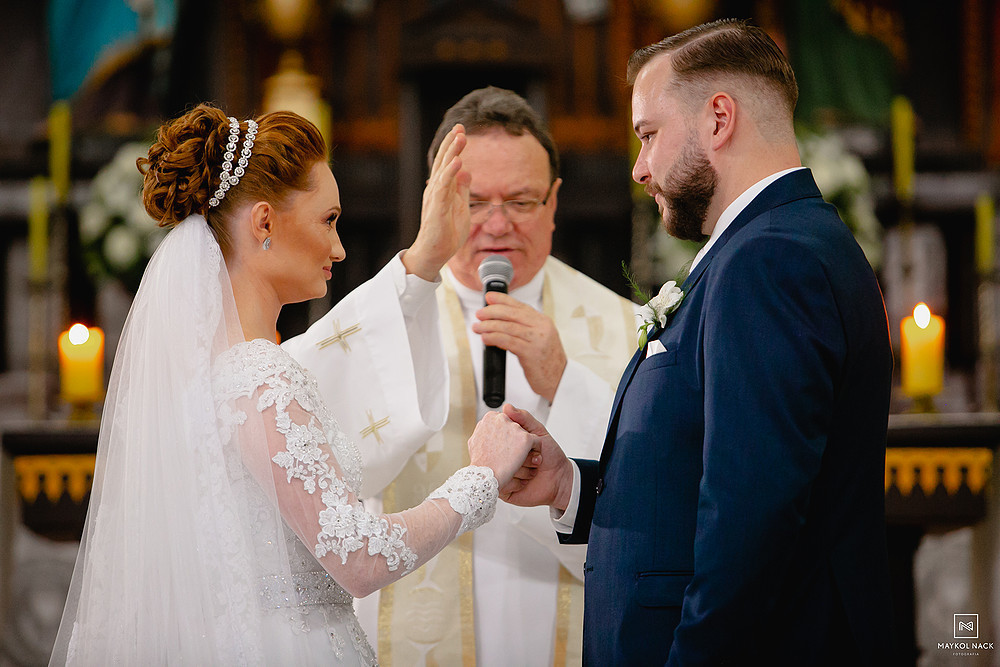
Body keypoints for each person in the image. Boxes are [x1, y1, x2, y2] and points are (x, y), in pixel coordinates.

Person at [49, 103, 539, 665]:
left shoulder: (199, 376)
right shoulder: (260, 376)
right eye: (328, 220)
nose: (340, 248)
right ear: (263, 223)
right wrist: (480, 478)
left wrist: (423, 260)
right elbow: (357, 558)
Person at [499, 19, 894, 665]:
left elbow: (751, 521)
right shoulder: (773, 246)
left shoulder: (769, 260)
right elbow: (701, 474)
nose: (639, 167)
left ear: (718, 118)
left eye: (649, 134)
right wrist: (571, 483)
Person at [284, 87, 638, 665]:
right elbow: (294, 418)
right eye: (473, 201)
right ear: (436, 200)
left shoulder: (625, 329)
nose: (497, 224)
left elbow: (661, 502)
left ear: (554, 202)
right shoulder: (388, 317)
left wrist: (564, 383)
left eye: (522, 201)